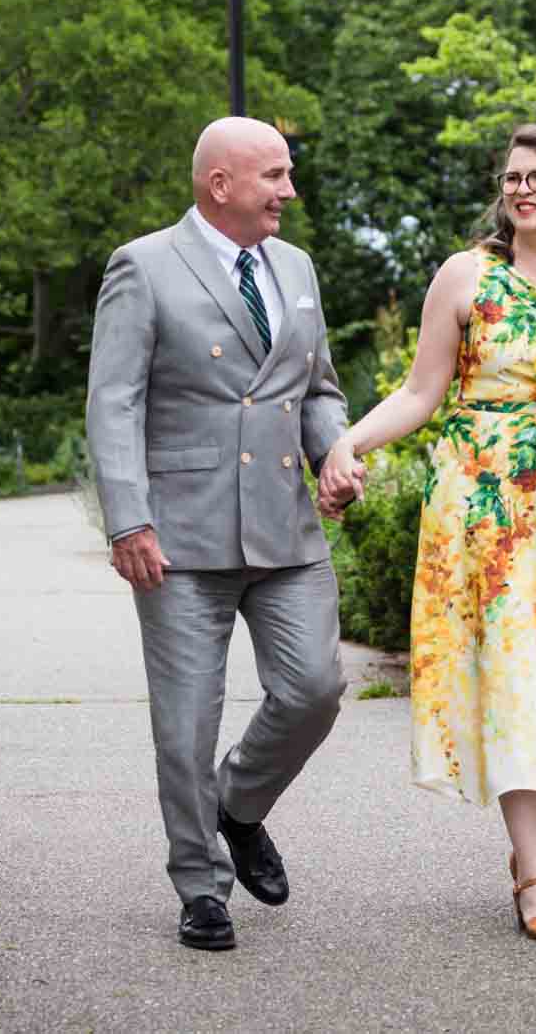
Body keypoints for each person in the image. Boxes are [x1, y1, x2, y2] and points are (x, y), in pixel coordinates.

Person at [318, 122, 536, 944]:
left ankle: (530, 853)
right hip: (485, 507)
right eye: (512, 178)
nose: (521, 189)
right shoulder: (467, 276)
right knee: (518, 675)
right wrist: (348, 442)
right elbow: (420, 391)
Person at [86, 115, 363, 952]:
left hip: (286, 524)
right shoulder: (143, 265)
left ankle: (238, 806)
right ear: (221, 184)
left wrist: (334, 451)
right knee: (185, 723)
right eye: (275, 175)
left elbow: (317, 386)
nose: (288, 190)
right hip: (179, 533)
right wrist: (128, 516)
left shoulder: (297, 267)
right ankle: (200, 884)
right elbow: (114, 400)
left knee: (314, 688)